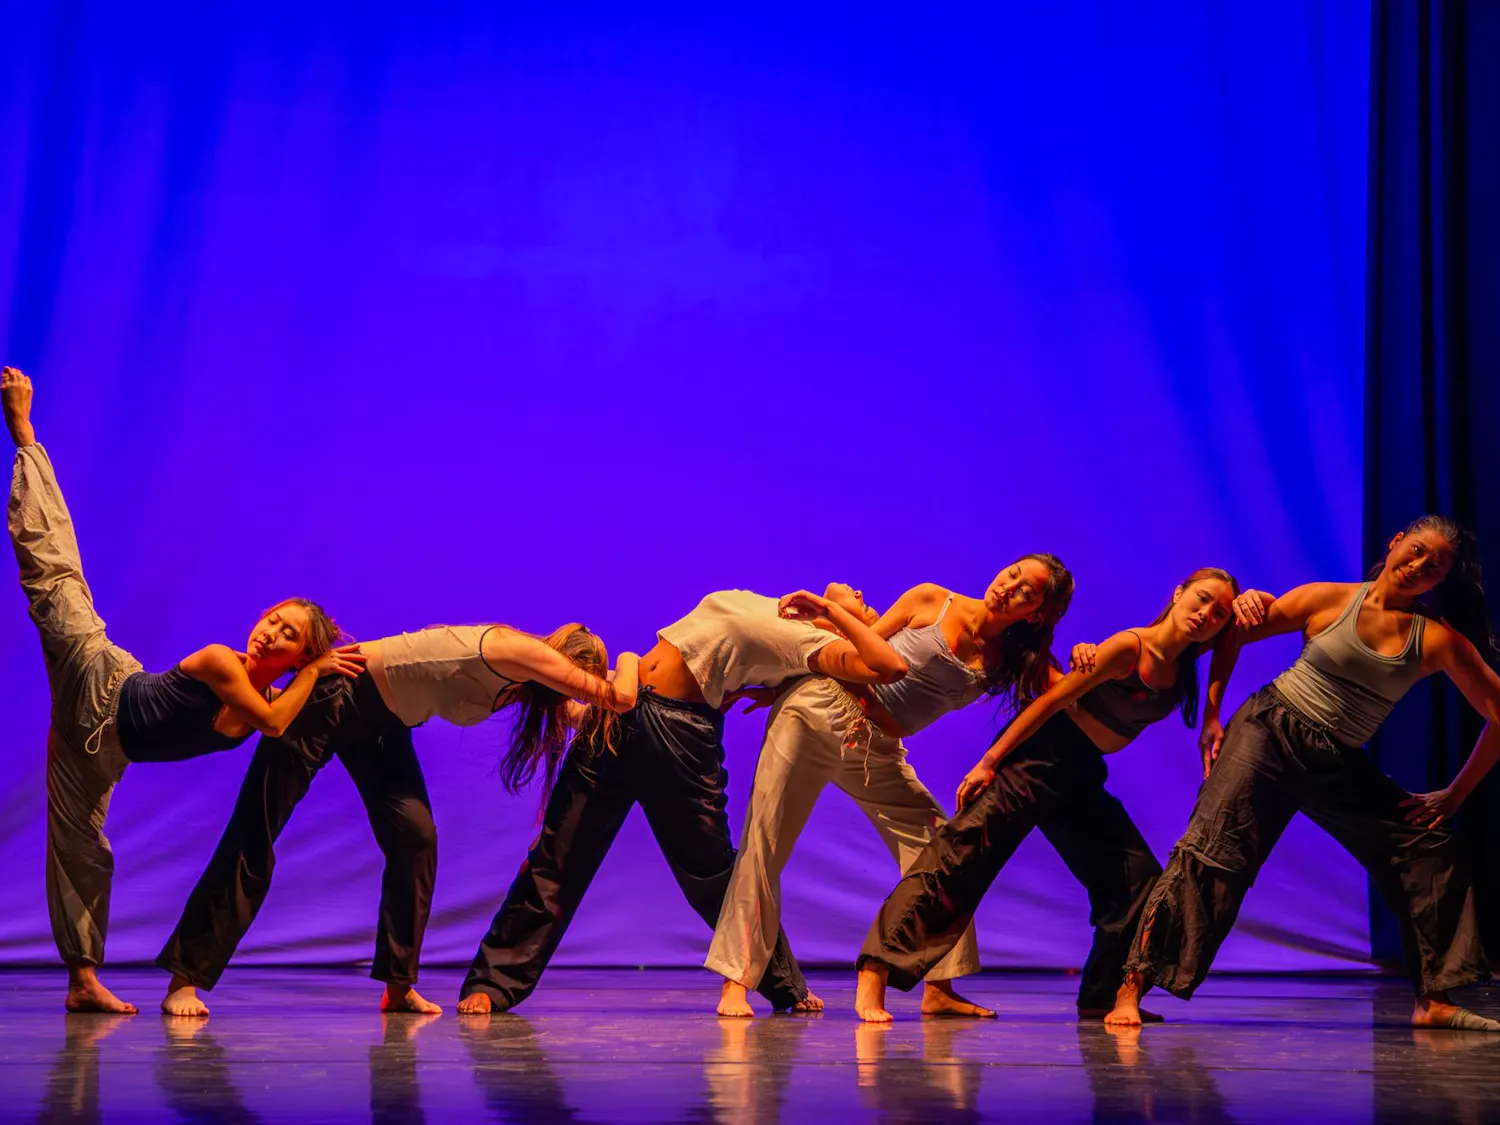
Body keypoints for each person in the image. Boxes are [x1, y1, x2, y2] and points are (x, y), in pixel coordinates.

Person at [3, 366, 360, 1013]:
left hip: (98, 751)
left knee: (84, 852)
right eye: (272, 618)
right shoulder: (223, 661)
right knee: (55, 576)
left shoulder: (265, 697)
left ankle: (82, 982)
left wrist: (329, 673)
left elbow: (279, 717)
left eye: (286, 636)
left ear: (295, 653)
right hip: (99, 677)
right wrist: (314, 669)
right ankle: (25, 434)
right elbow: (276, 722)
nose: (267, 631)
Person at [1106, 517, 1500, 1031]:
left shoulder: (1438, 641)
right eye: (1419, 550)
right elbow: (1235, 634)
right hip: (1268, 731)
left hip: (1334, 756)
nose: (1422, 565)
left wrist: (1457, 791)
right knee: (1211, 852)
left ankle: (1436, 1000)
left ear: (1439, 581)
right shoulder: (1327, 599)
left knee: (1428, 847)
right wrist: (1212, 714)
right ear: (1396, 542)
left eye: (1437, 566)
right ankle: (1130, 989)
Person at [456, 584, 908, 1014]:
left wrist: (833, 615)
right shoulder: (765, 603)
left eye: (865, 607)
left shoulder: (810, 642)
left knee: (711, 873)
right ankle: (491, 983)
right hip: (620, 709)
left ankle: (783, 983)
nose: (861, 594)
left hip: (680, 734)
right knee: (556, 859)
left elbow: (888, 667)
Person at [156, 623, 639, 1016]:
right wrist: (631, 662)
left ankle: (398, 986)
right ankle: (186, 981)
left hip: (382, 726)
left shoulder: (524, 687)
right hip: (335, 696)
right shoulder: (517, 649)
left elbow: (584, 715)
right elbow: (617, 698)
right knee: (256, 830)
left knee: (415, 838)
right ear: (564, 664)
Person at [853, 568, 1238, 1021]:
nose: (1207, 614)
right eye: (1202, 599)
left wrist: (1212, 713)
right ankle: (874, 976)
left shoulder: (1186, 658)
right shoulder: (1129, 647)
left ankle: (1101, 997)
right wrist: (990, 762)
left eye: (1218, 612)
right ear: (1178, 593)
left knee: (1136, 882)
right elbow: (1048, 703)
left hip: (1081, 772)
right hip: (1041, 757)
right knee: (959, 861)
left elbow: (1236, 635)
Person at [706, 556, 1075, 1017]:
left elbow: (1069, 689)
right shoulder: (931, 600)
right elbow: (852, 649)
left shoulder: (1011, 661)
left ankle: (938, 984)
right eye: (1013, 573)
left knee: (939, 844)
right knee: (766, 840)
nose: (1009, 585)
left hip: (877, 748)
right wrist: (781, 684)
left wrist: (1090, 655)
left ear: (1038, 612)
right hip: (820, 712)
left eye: (1027, 590)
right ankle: (736, 982)